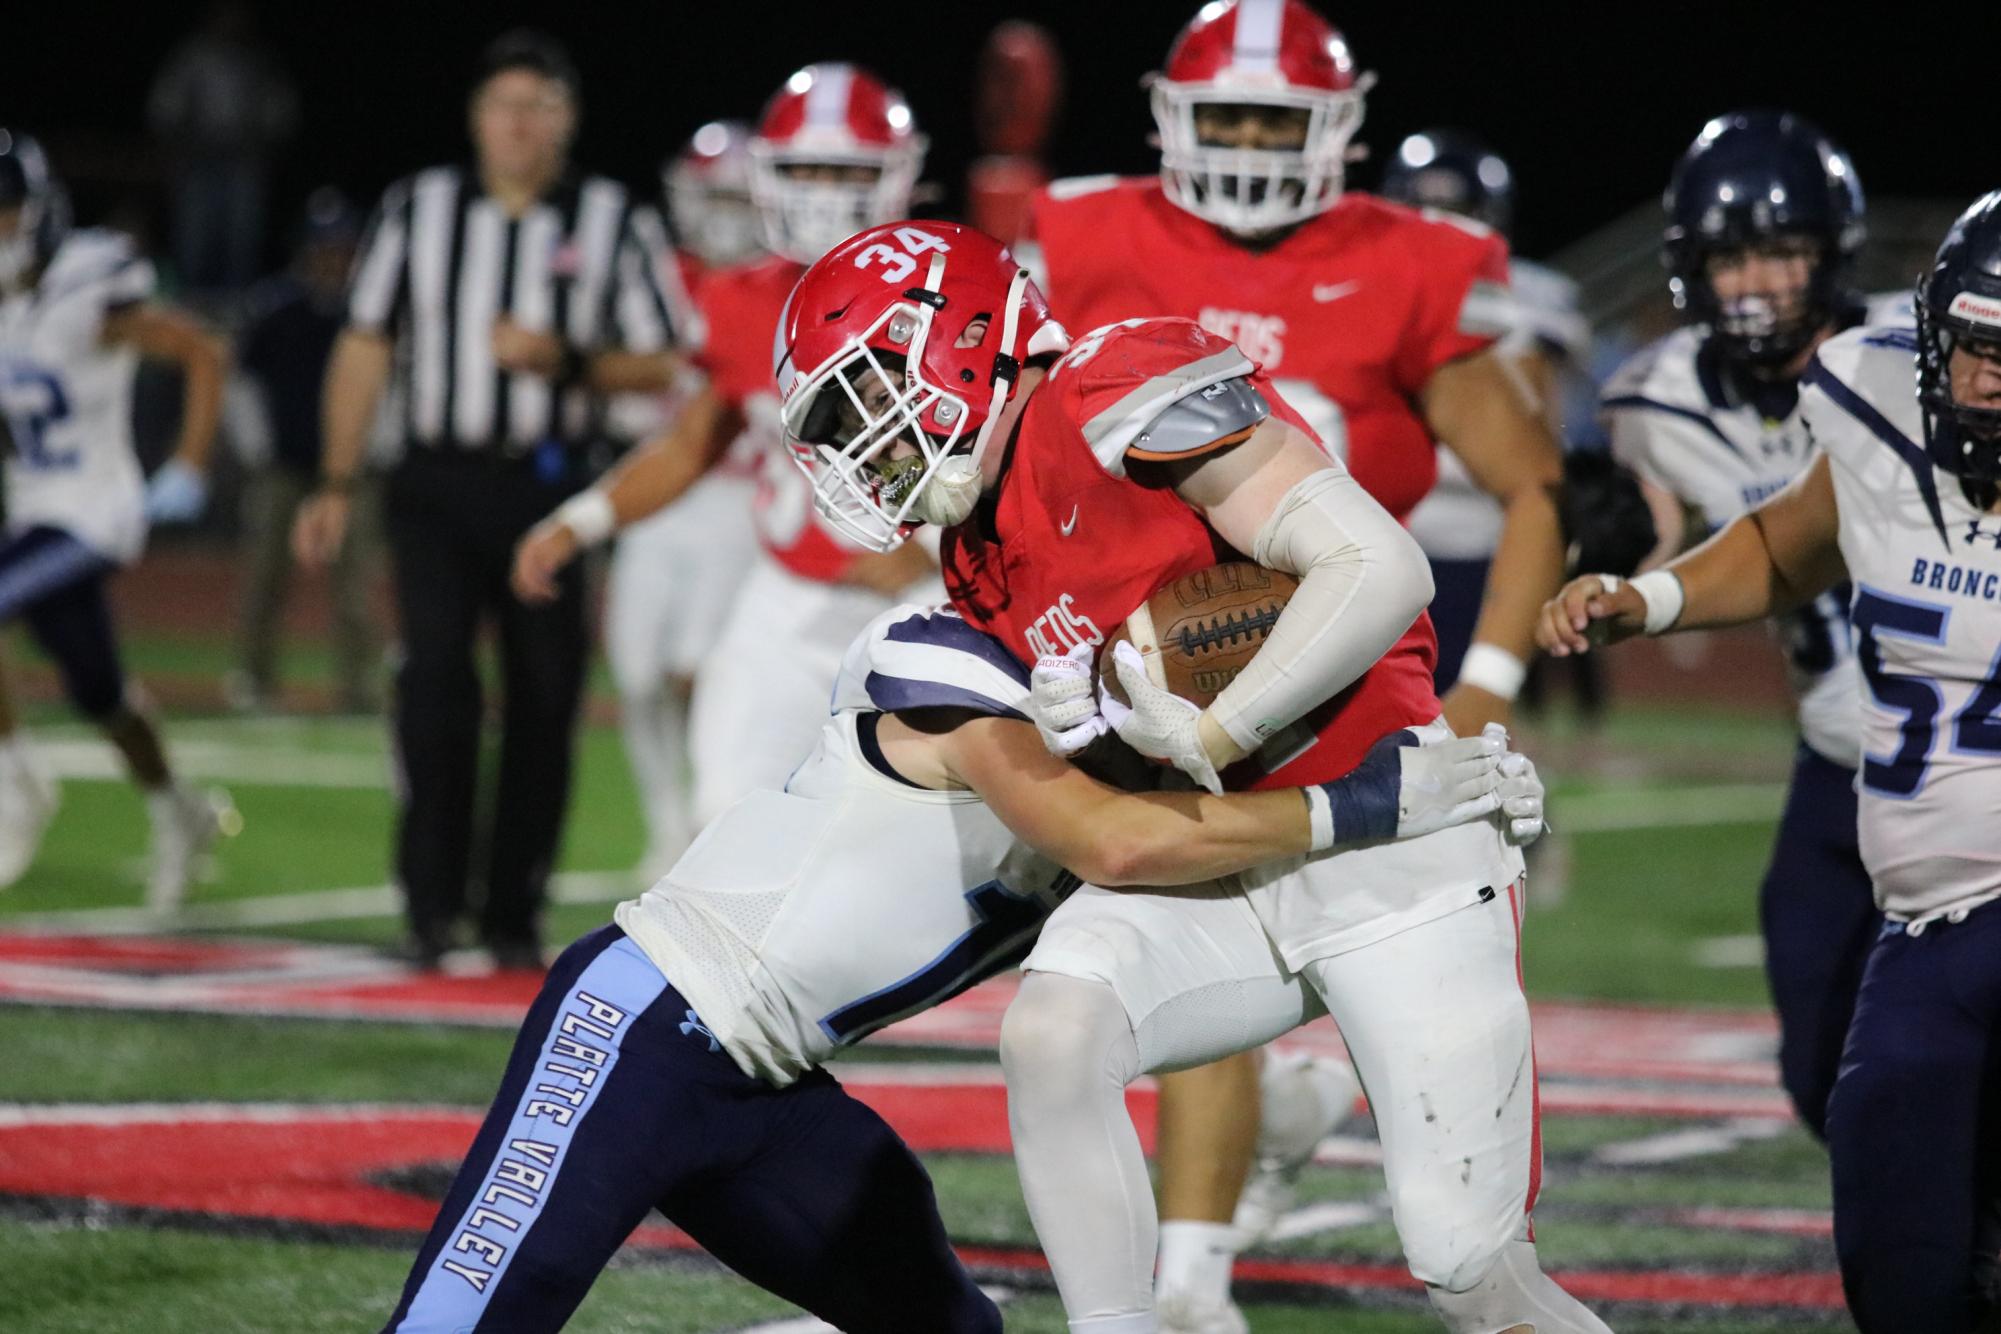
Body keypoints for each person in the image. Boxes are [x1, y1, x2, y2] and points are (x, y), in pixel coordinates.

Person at [776, 219, 1607, 1334]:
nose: (866, 448)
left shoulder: (1111, 383)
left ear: (957, 341)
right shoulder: (973, 549)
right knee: (1054, 1028)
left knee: (1471, 1274)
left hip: (1392, 839)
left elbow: (1379, 568)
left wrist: (1210, 729)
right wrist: (1090, 730)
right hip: (1228, 869)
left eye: (867, 395)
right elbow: (1126, 763)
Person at [380, 599, 1541, 1333]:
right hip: (642, 1021)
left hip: (776, 1091)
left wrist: (1451, 823)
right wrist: (1359, 807)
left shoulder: (1155, 774)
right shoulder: (956, 664)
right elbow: (1113, 841)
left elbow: (1243, 897)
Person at [1019, 3, 1569, 1320]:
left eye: (1279, 118)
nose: (1255, 145)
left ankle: (1283, 1148)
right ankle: (1188, 1282)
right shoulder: (1086, 236)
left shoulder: (1412, 259)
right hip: (1162, 711)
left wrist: (1488, 679)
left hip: (1361, 733)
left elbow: (1531, 481)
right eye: (1230, 118)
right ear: (1167, 117)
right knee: (1061, 1016)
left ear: (1337, 126)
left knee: (1465, 1259)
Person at [1539, 188, 2001, 1334]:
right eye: (1978, 347)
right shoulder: (1879, 416)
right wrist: (1644, 597)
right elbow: (1785, 549)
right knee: (1900, 1254)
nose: (1990, 381)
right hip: (1924, 919)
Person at [291, 32, 684, 969]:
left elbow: (665, 355)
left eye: (538, 106)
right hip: (435, 479)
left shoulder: (610, 218)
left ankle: (513, 911)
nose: (517, 125)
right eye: (503, 105)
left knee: (546, 699)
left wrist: (568, 362)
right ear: (475, 119)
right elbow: (364, 343)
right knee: (434, 686)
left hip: (548, 483)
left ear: (567, 120)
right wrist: (336, 478)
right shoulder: (417, 208)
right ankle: (430, 906)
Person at [512, 64, 937, 832]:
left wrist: (937, 554)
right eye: (803, 169)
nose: (820, 191)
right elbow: (689, 446)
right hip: (786, 599)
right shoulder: (741, 298)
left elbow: (1029, 458)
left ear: (895, 175)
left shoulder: (959, 289)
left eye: (843, 171)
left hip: (926, 603)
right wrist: (582, 520)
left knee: (926, 842)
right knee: (725, 816)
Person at [1598, 112, 1903, 1137]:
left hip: (1966, 753)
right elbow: (1647, 539)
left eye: (1783, 250)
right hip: (1833, 757)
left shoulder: (1916, 353)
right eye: (1733, 257)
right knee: (1817, 1048)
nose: (1760, 281)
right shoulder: (1659, 396)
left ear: (1832, 252)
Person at [0, 130, 232, 904]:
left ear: (35, 213)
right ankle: (181, 810)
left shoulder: (85, 282)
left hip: (95, 514)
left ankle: (15, 786)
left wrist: (190, 463)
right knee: (99, 694)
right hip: (33, 511)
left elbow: (202, 352)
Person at [228, 188, 381, 714]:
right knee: (264, 578)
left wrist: (370, 450)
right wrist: (259, 448)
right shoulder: (276, 306)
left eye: (342, 247)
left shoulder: (369, 306)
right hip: (284, 467)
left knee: (355, 587)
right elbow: (241, 381)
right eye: (325, 247)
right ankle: (252, 679)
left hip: (349, 471)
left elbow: (388, 381)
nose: (333, 257)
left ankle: (359, 688)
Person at [145, 0, 297, 294]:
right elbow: (163, 107)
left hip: (244, 160)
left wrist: (262, 143)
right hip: (199, 159)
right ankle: (189, 300)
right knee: (194, 236)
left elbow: (282, 113)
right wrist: (180, 147)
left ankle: (233, 302)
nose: (232, 21)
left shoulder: (258, 60)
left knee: (240, 238)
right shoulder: (192, 55)